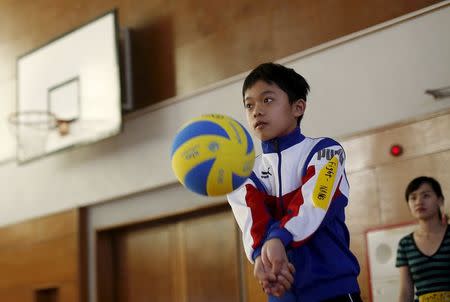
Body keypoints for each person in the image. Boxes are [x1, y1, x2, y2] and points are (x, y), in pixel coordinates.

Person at [227, 62, 361, 301]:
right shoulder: (244, 172)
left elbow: (313, 203)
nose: (256, 111)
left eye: (267, 100)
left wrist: (279, 237)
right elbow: (252, 225)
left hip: (333, 289)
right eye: (249, 105)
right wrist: (261, 258)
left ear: (298, 107)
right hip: (281, 293)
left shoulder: (326, 151)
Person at [396, 176, 450, 302]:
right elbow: (405, 292)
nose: (419, 201)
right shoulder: (405, 244)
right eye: (413, 197)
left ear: (440, 200)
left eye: (425, 195)